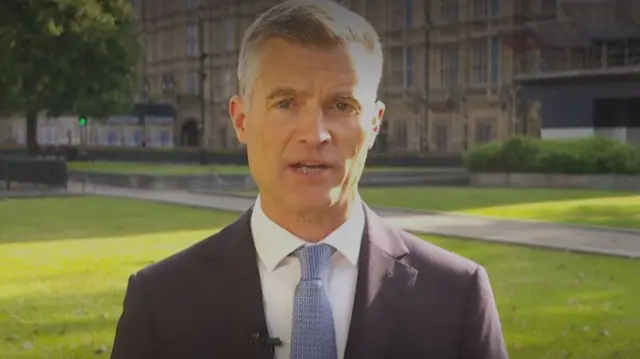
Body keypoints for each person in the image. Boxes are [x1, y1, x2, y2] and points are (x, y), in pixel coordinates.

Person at [110, 0, 509, 358]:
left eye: (341, 105)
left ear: (374, 124)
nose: (314, 133)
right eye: (286, 103)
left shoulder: (457, 295)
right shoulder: (161, 301)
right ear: (241, 119)